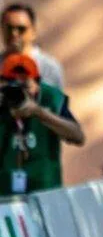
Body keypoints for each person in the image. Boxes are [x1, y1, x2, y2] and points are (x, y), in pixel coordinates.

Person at [0, 53, 83, 195]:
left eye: (25, 84)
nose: (19, 91)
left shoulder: (50, 98)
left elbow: (78, 136)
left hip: (45, 193)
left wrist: (40, 113)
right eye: (13, 84)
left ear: (37, 83)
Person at [2, 4, 63, 91]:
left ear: (33, 32)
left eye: (21, 29)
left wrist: (39, 92)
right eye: (9, 28)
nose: (14, 33)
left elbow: (57, 103)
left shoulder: (49, 67)